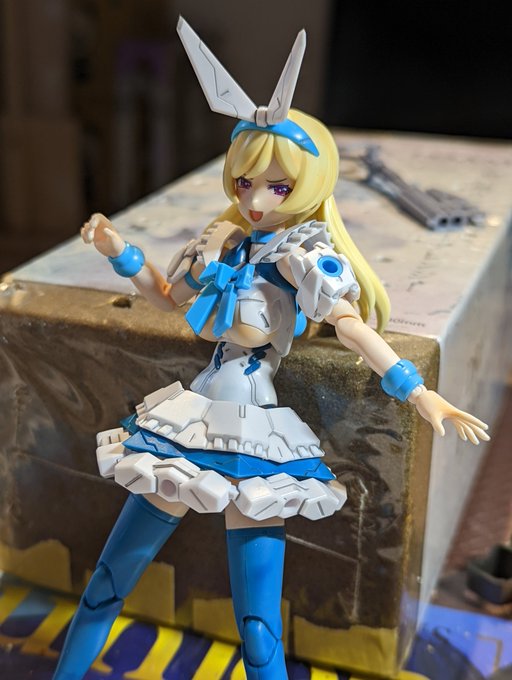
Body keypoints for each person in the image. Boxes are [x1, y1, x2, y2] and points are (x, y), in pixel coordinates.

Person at [53, 19, 489, 680]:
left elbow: (349, 327)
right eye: (245, 184)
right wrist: (120, 251)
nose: (256, 200)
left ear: (308, 186)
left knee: (258, 628)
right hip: (188, 422)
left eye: (278, 187)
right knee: (107, 583)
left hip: (255, 437)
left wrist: (420, 392)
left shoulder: (302, 256)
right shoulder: (222, 243)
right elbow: (167, 297)